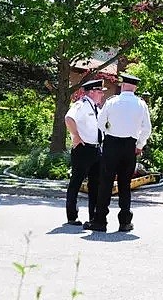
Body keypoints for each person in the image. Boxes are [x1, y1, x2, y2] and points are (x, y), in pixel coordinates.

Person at [89, 72, 152, 233]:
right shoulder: (140, 104)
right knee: (125, 185)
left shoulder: (112, 102)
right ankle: (124, 221)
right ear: (135, 88)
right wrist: (139, 145)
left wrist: (109, 131)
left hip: (111, 144)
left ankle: (100, 221)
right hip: (130, 146)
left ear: (122, 85)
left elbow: (101, 123)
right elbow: (147, 129)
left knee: (105, 183)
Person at [64, 79, 107, 227]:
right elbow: (69, 118)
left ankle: (93, 217)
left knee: (95, 184)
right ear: (92, 92)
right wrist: (75, 135)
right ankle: (72, 216)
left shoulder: (97, 108)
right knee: (76, 182)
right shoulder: (81, 105)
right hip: (83, 149)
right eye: (100, 92)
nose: (102, 95)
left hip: (96, 149)